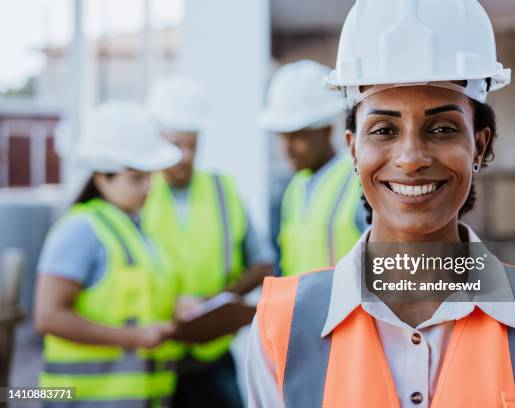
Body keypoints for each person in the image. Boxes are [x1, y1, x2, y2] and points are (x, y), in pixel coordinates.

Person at [246, 1, 515, 407]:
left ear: (480, 145)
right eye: (384, 129)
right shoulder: (279, 327)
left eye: (442, 128)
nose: (411, 157)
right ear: (353, 150)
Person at [35, 101, 183, 407]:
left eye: (150, 176)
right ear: (102, 178)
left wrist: (179, 307)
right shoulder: (80, 229)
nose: (148, 188)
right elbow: (49, 316)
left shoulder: (135, 229)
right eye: (135, 178)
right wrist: (135, 338)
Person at [143, 77, 273, 408]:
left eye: (192, 145)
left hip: (210, 356)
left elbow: (261, 263)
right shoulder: (137, 193)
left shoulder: (222, 190)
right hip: (151, 352)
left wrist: (217, 303)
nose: (184, 156)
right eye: (175, 145)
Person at [259, 60, 368, 277]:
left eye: (298, 136)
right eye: (283, 137)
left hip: (349, 311)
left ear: (326, 131)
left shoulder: (358, 181)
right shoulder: (295, 188)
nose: (287, 148)